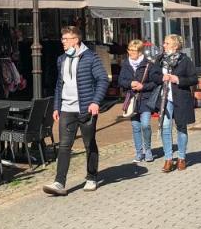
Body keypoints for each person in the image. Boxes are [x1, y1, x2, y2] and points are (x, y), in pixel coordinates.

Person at [43, 26, 109, 196]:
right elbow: (60, 84)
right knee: (64, 145)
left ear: (75, 40)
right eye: (62, 38)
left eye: (65, 39)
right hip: (66, 109)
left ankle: (92, 176)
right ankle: (59, 182)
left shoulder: (91, 58)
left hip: (85, 108)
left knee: (89, 143)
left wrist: (95, 102)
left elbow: (102, 79)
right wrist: (56, 106)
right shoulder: (61, 59)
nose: (62, 42)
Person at [158, 34, 198, 172]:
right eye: (164, 43)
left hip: (181, 98)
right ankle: (168, 159)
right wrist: (160, 77)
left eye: (167, 43)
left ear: (175, 46)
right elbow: (153, 75)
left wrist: (178, 79)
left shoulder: (185, 60)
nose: (164, 45)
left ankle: (181, 158)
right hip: (165, 98)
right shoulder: (160, 59)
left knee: (181, 127)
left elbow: (194, 79)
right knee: (165, 127)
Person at [118, 39, 161, 163]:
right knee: (135, 126)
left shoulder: (149, 64)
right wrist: (130, 83)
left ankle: (148, 150)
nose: (130, 52)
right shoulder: (126, 64)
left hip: (146, 99)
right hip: (132, 99)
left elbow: (155, 82)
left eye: (133, 50)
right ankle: (138, 152)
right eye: (129, 50)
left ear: (140, 51)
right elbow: (121, 81)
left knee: (146, 125)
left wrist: (143, 86)